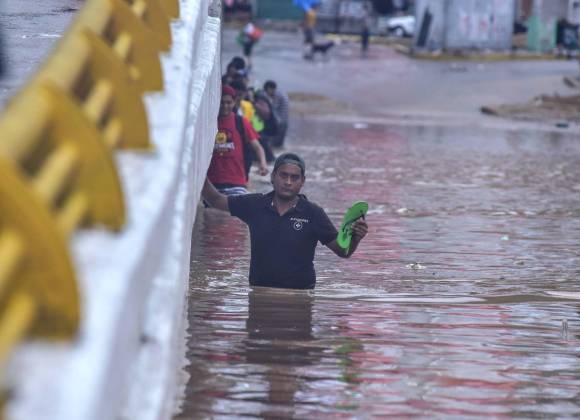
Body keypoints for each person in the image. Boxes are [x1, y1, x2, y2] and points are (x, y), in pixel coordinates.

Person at [202, 152, 369, 289]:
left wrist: (355, 238)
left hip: (300, 296)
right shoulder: (254, 205)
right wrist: (197, 166)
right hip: (260, 293)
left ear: (302, 182)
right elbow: (215, 200)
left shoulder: (313, 213)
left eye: (294, 177)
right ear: (273, 177)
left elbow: (343, 252)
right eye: (283, 175)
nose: (288, 182)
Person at [207, 85, 268, 197]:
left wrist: (263, 164)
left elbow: (257, 147)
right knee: (212, 214)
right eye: (222, 102)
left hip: (237, 182)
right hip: (212, 183)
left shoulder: (241, 122)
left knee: (236, 214)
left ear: (234, 102)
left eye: (228, 102)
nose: (225, 106)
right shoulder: (209, 122)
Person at [263, 80, 289, 148]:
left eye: (266, 91)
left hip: (280, 122)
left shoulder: (277, 95)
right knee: (279, 145)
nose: (267, 94)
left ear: (269, 88)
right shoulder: (280, 93)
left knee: (274, 144)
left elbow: (273, 109)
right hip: (284, 121)